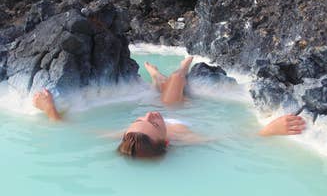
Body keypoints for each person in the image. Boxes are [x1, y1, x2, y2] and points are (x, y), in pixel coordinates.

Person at [32, 57, 306, 158]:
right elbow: (233, 141)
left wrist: (50, 109)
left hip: (166, 105)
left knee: (164, 92)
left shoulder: (130, 135)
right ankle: (179, 68)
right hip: (184, 109)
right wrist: (271, 129)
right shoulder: (182, 138)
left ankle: (158, 78)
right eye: (152, 123)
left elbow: (72, 132)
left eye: (138, 119)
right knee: (174, 81)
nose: (148, 117)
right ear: (165, 140)